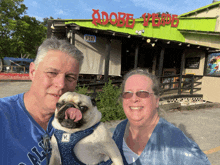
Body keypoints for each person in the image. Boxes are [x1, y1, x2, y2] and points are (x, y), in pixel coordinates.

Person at [0, 37, 84, 165]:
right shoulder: (4, 116)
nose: (61, 84)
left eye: (70, 77)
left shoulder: (73, 120)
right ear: (32, 71)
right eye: (52, 73)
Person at [112, 68, 211, 165]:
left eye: (142, 93)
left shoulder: (178, 144)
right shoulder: (120, 130)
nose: (134, 99)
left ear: (156, 101)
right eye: (128, 93)